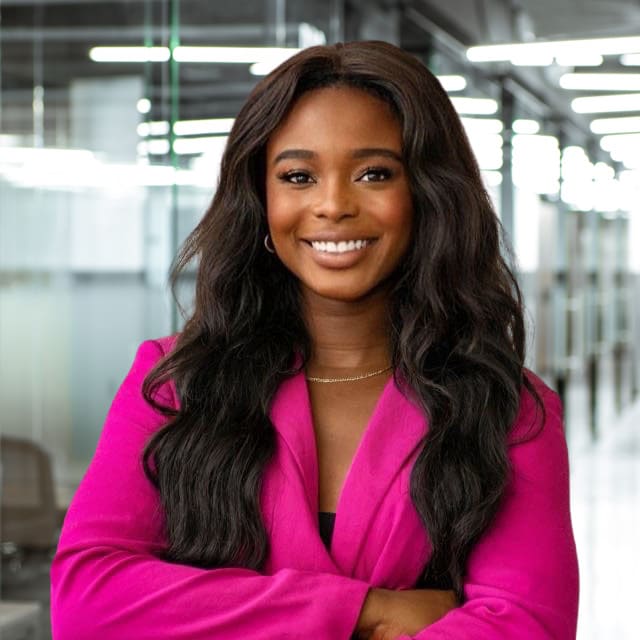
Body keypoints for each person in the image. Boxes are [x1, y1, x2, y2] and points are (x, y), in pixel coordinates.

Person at [50, 40, 579, 639]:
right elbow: (88, 600)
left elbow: (527, 624)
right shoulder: (177, 383)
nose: (332, 205)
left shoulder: (508, 407)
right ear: (262, 200)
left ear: (427, 196)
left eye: (373, 173)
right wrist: (365, 611)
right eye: (298, 176)